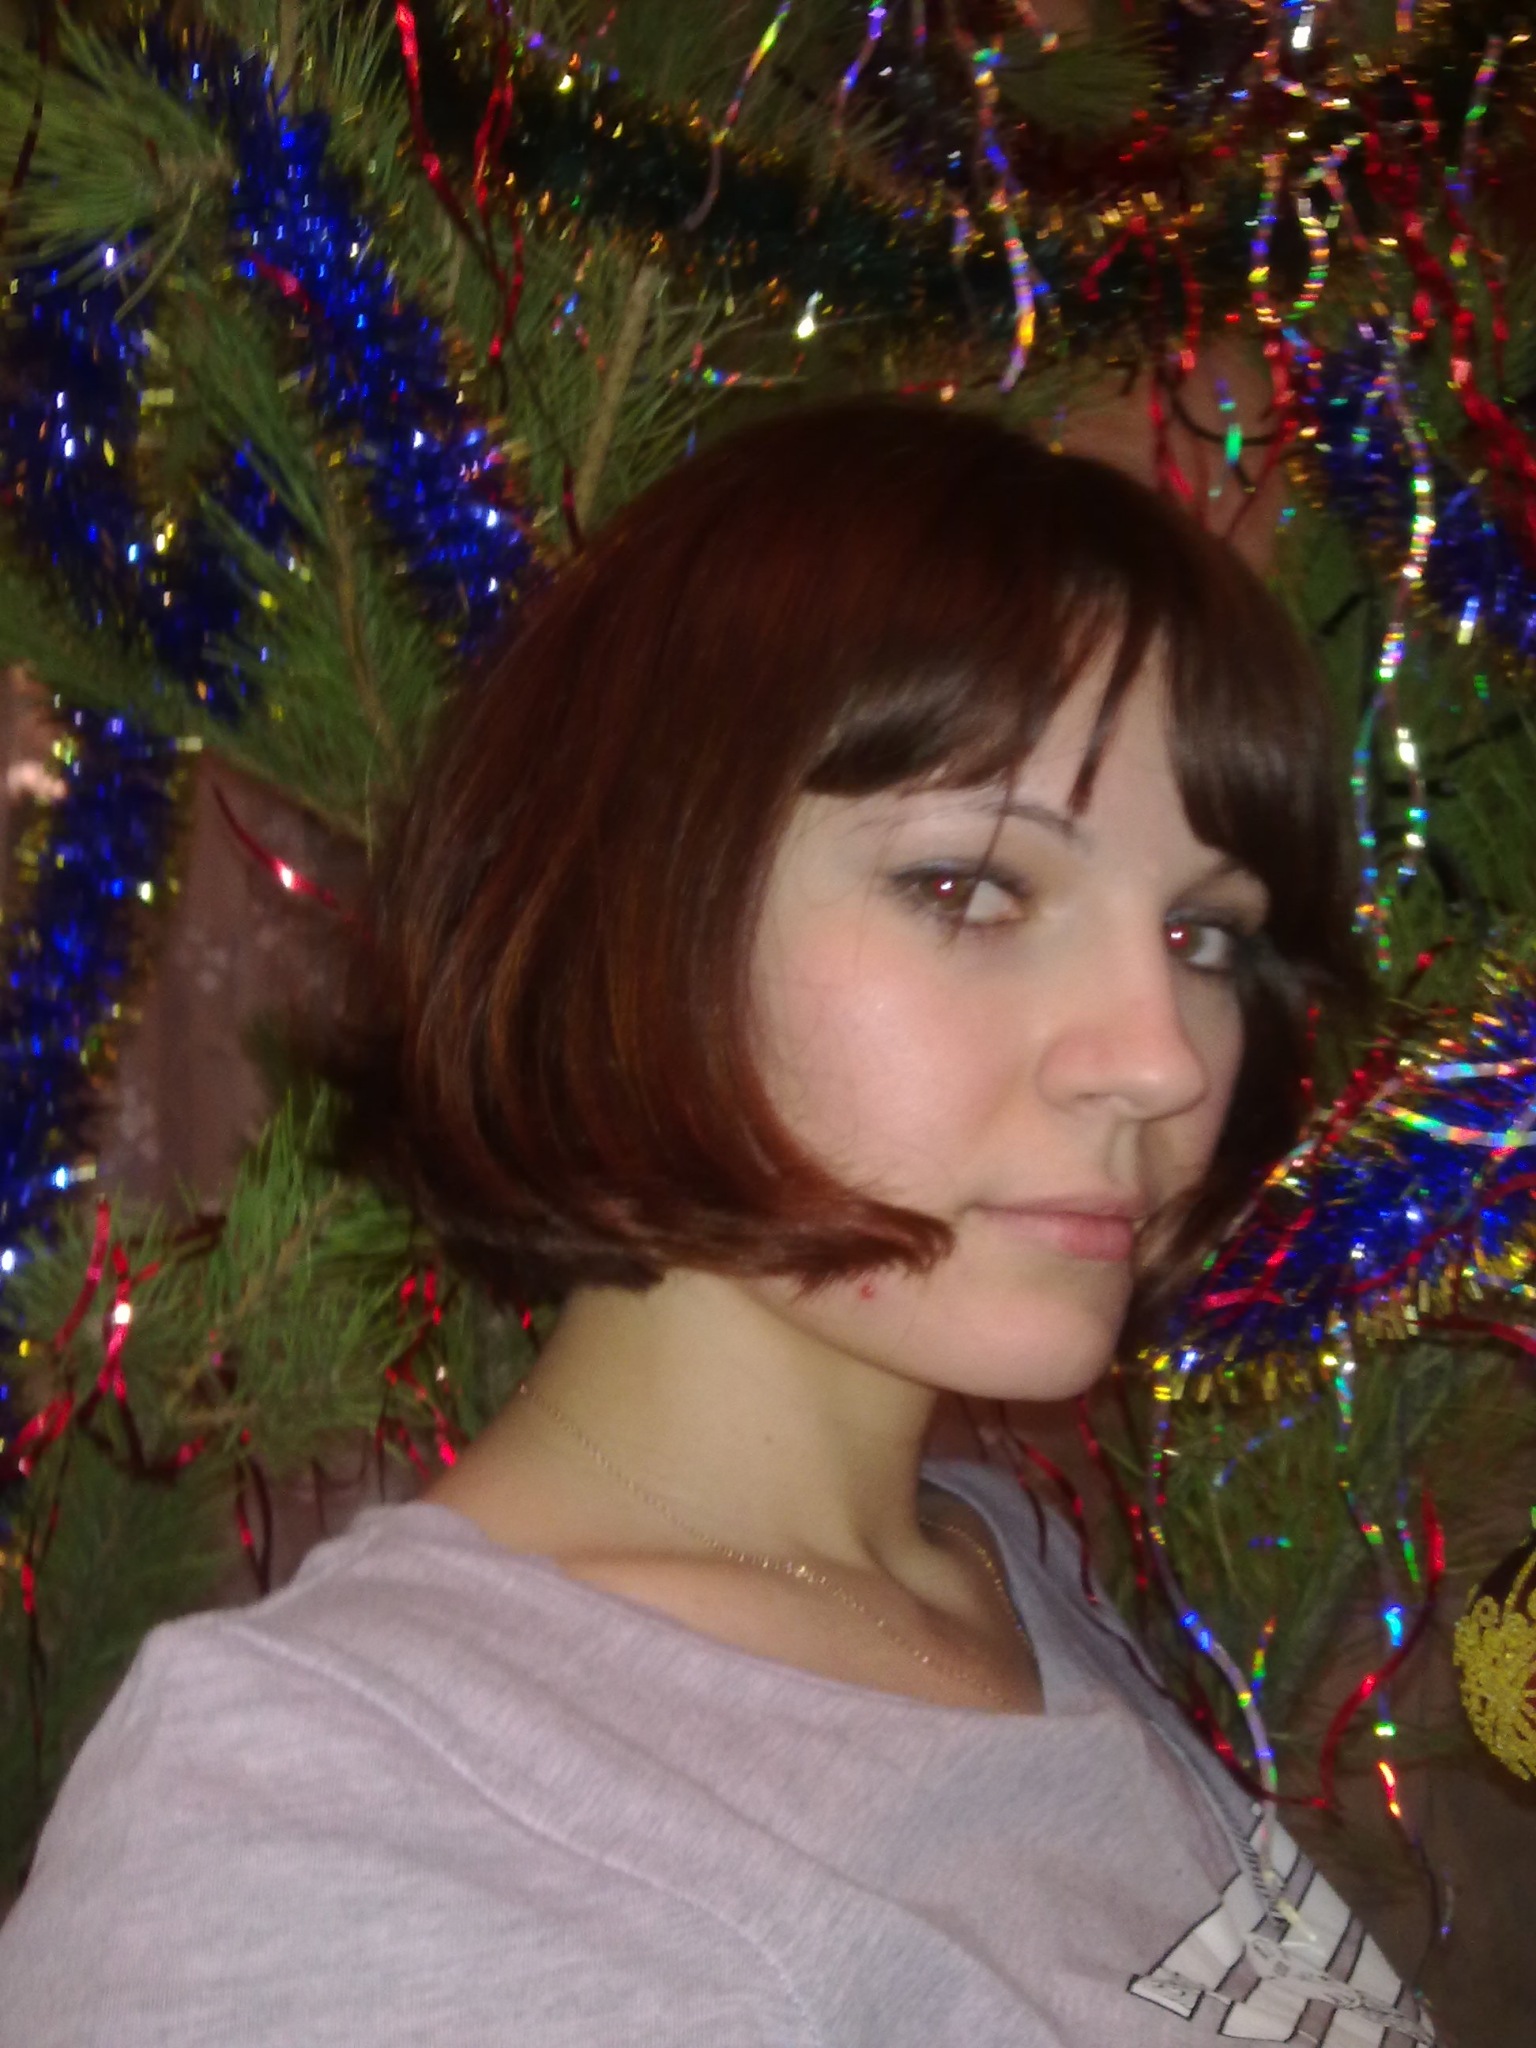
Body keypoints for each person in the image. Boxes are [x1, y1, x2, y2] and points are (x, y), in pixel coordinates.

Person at [0, 402, 1434, 2046]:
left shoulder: (991, 1562)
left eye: (1200, 934)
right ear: (631, 906)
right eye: (971, 888)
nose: (1162, 1059)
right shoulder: (322, 1821)